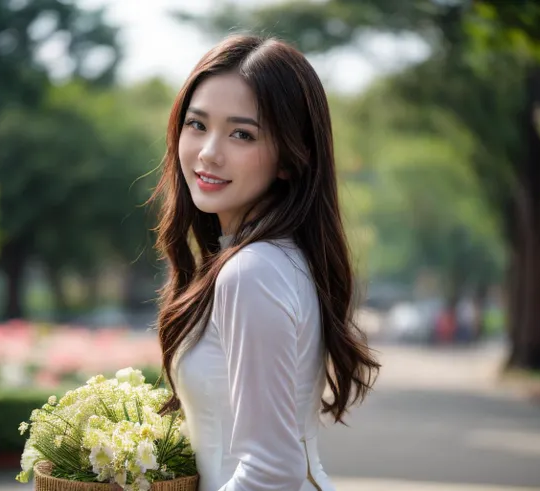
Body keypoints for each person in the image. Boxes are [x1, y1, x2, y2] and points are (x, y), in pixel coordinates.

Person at [149, 34, 380, 491]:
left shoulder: (252, 271)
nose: (209, 151)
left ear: (291, 160)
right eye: (197, 125)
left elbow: (272, 471)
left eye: (242, 134)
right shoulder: (279, 260)